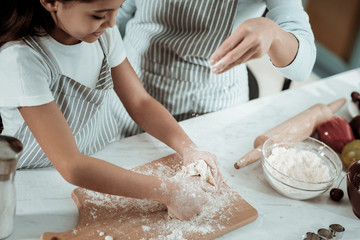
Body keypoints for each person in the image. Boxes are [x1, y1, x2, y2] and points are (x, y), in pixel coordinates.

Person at [0, 0, 222, 220]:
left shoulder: (103, 34)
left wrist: (189, 149)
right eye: (99, 15)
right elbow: (72, 166)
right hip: (36, 186)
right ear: (50, 2)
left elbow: (140, 102)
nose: (112, 22)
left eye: (117, 9)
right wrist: (170, 192)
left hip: (101, 163)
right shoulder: (23, 59)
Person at [116, 0, 316, 122]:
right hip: (128, 86)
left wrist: (275, 34)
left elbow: (303, 67)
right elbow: (119, 8)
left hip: (209, 107)